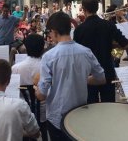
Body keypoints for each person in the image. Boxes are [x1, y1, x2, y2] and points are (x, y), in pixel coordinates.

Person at [35, 12, 106, 140]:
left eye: (49, 32)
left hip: (57, 117)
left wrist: (36, 89)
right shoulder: (86, 52)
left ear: (54, 31)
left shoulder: (49, 57)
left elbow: (42, 95)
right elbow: (101, 78)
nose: (50, 36)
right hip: (80, 113)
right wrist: (82, 79)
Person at [74, 0, 128, 103]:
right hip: (107, 70)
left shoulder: (79, 30)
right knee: (108, 106)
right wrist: (110, 45)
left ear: (84, 9)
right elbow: (126, 45)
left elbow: (76, 53)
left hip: (89, 73)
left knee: (91, 106)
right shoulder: (109, 25)